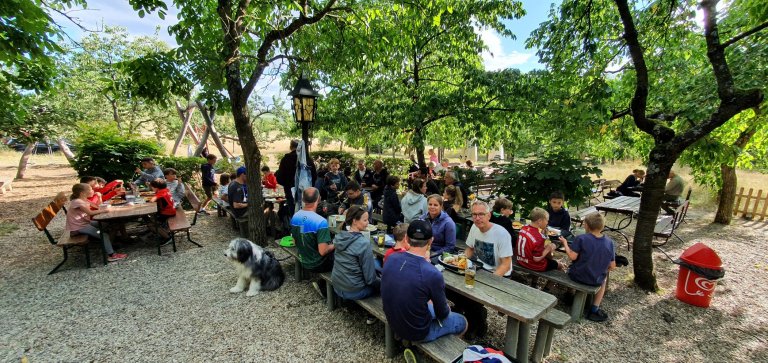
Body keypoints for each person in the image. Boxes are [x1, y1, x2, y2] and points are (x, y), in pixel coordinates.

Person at [381, 220, 468, 343]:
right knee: (462, 321)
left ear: (406, 238)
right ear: (431, 241)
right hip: (418, 332)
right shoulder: (432, 273)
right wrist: (446, 309)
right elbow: (442, 314)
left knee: (426, 304)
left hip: (393, 320)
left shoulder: (391, 258)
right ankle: (445, 346)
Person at [563, 213, 616, 322]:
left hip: (577, 276)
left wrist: (565, 244)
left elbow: (572, 257)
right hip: (596, 280)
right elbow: (612, 266)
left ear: (586, 225)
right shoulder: (610, 242)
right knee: (604, 281)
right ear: (602, 226)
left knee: (570, 268)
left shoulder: (581, 238)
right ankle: (594, 308)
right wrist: (600, 270)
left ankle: (569, 294)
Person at [66, 183, 127, 261]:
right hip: (79, 227)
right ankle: (111, 255)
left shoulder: (84, 199)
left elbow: (98, 207)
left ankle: (110, 243)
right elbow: (90, 213)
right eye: (91, 189)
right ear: (82, 193)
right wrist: (105, 210)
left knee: (108, 224)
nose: (93, 190)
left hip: (84, 223)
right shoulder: (78, 202)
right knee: (104, 235)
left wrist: (99, 197)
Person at [331, 206, 380, 301]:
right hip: (354, 291)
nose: (368, 223)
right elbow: (370, 280)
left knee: (376, 263)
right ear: (354, 221)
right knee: (383, 282)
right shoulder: (363, 243)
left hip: (337, 285)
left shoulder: (340, 236)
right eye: (365, 220)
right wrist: (383, 284)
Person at [291, 187, 335, 273]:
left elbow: (294, 240)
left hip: (302, 259)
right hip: (318, 264)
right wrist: (336, 244)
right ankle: (324, 284)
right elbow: (323, 251)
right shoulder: (321, 221)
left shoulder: (295, 216)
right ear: (319, 199)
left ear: (303, 199)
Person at [464, 201, 513, 277]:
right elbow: (470, 249)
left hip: (500, 274)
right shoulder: (474, 227)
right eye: (474, 214)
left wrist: (491, 280)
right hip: (480, 268)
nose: (477, 218)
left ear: (489, 216)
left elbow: (506, 265)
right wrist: (460, 262)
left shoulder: (502, 234)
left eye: (481, 214)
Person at [516, 207, 566, 272]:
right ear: (539, 221)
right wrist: (549, 248)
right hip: (533, 265)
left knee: (549, 258)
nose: (547, 223)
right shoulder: (539, 237)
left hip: (520, 260)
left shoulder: (523, 228)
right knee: (558, 265)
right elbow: (537, 259)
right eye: (547, 220)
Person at [148, 178, 176, 244]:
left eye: (152, 187)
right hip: (171, 210)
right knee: (152, 218)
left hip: (167, 213)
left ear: (156, 188)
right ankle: (164, 232)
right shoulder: (165, 190)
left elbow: (152, 200)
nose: (151, 188)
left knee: (151, 224)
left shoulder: (161, 192)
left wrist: (152, 199)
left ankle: (167, 238)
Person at [275, 140, 299, 216]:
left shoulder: (285, 159)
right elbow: (314, 175)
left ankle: (295, 226)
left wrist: (286, 184)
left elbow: (279, 177)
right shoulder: (306, 159)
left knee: (292, 208)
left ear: (290, 147)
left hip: (289, 188)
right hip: (304, 189)